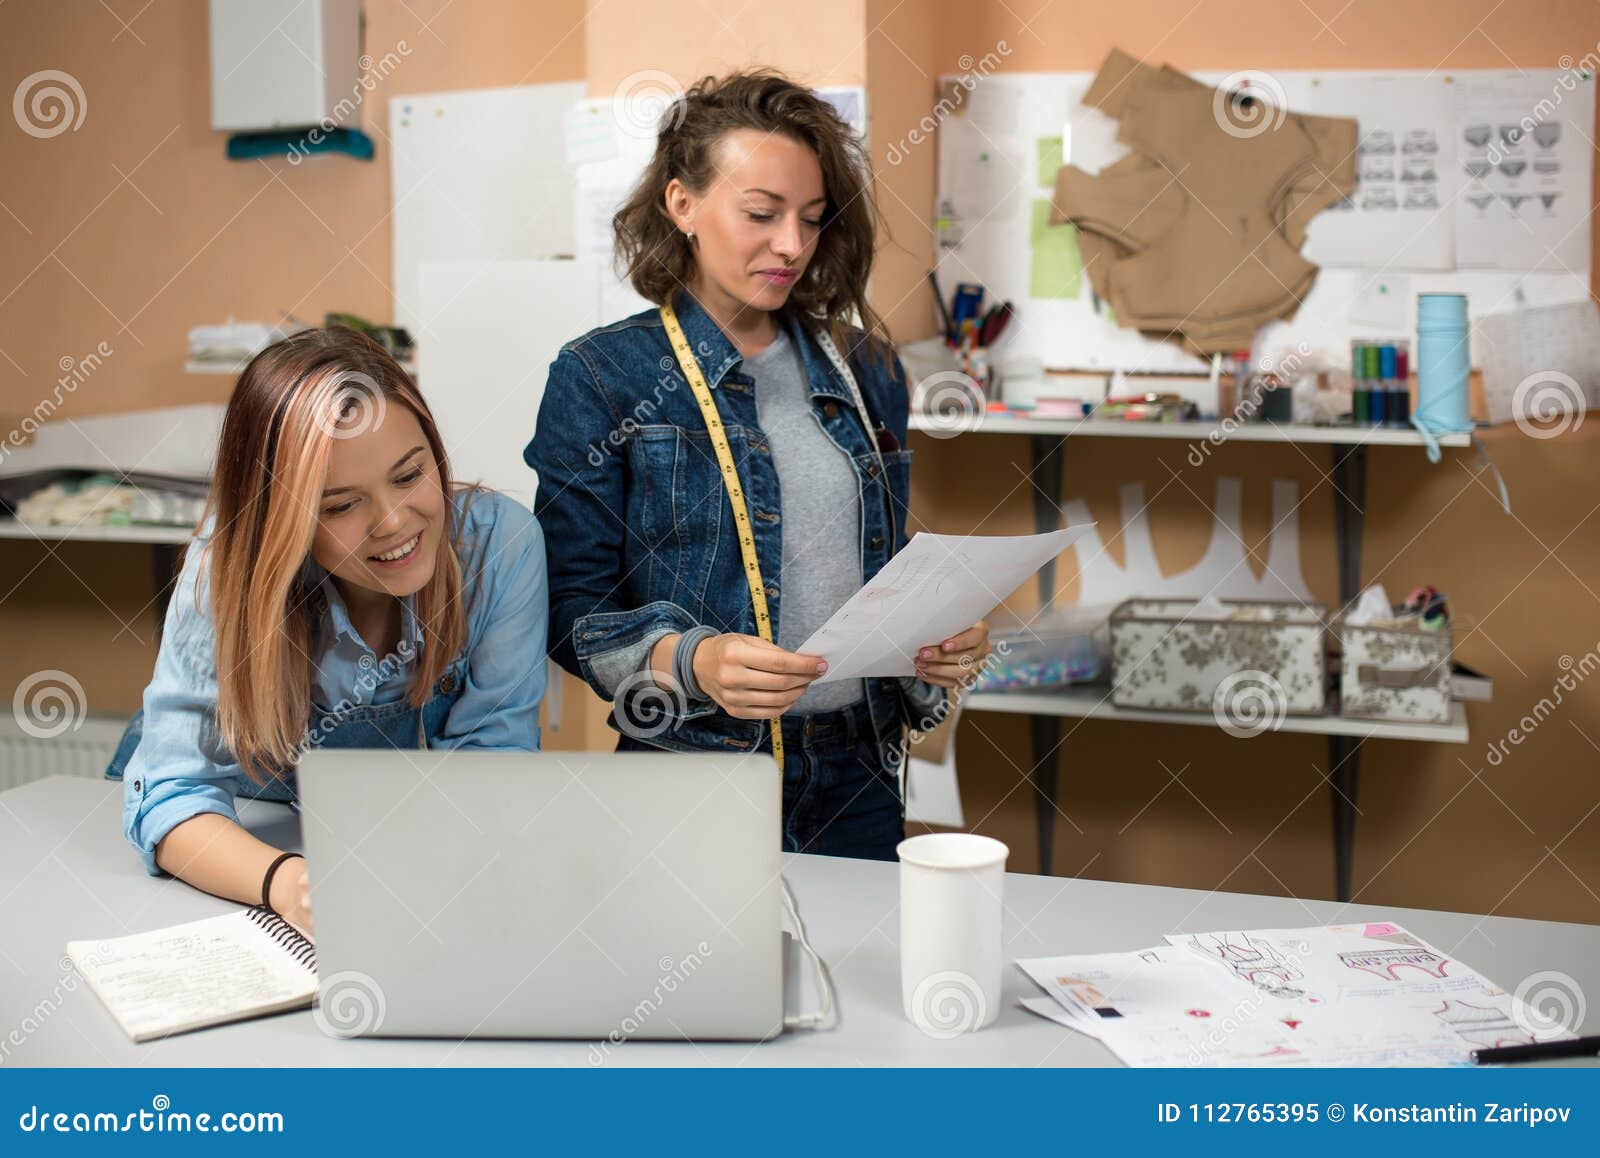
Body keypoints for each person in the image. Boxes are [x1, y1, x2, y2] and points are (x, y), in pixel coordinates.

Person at [527, 70, 988, 861]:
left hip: (860, 772)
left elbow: (877, 566)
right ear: (682, 205)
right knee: (695, 987)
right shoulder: (604, 376)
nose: (792, 246)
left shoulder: (864, 367)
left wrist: (933, 642)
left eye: (811, 220)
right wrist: (691, 659)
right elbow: (571, 606)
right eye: (761, 214)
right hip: (693, 771)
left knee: (857, 985)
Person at [114, 327, 548, 934]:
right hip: (237, 851)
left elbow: (493, 764)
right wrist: (288, 885)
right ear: (280, 518)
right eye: (341, 505)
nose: (395, 523)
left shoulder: (500, 547)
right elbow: (173, 795)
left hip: (379, 849)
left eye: (409, 475)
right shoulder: (226, 571)